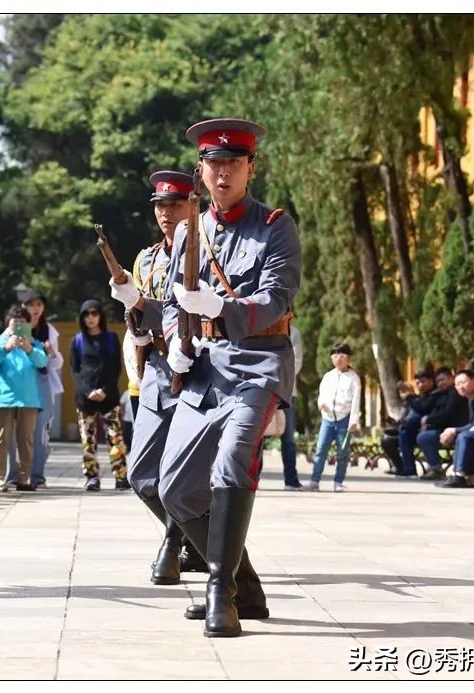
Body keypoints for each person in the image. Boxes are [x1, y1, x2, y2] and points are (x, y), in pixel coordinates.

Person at [158, 118, 301, 637]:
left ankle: (220, 591)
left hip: (258, 365)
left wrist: (222, 307)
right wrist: (175, 343)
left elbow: (277, 298)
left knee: (230, 466)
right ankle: (246, 587)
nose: (223, 173)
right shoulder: (188, 234)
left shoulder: (276, 226)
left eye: (233, 163)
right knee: (173, 489)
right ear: (200, 170)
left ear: (250, 169)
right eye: (214, 164)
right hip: (206, 368)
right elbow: (172, 304)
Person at [110, 170, 208, 585]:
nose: (166, 213)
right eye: (160, 206)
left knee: (180, 475)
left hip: (198, 369)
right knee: (141, 474)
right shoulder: (146, 258)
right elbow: (145, 311)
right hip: (156, 368)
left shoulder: (207, 252)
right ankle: (196, 539)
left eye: (175, 204)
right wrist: (133, 310)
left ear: (192, 207)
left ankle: (174, 543)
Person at [0, 305, 49, 491]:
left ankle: (24, 479)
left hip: (28, 400)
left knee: (26, 441)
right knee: (1, 440)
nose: (19, 327)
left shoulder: (35, 344)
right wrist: (6, 347)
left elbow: (42, 362)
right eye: (15, 323)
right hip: (2, 398)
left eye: (23, 323)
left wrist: (29, 348)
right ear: (8, 325)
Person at [70, 299, 129, 491]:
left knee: (115, 438)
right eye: (86, 314)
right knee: (88, 440)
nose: (90, 318)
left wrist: (104, 390)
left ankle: (121, 476)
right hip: (85, 399)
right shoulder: (77, 341)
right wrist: (88, 391)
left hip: (109, 397)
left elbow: (116, 368)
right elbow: (75, 371)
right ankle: (92, 477)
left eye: (94, 313)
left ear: (100, 316)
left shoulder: (111, 338)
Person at [12, 290, 63, 488]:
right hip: (17, 383)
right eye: (31, 304)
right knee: (15, 431)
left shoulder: (49, 330)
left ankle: (37, 476)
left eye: (39, 305)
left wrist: (51, 352)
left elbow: (56, 364)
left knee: (40, 433)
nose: (35, 309)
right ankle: (14, 475)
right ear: (23, 306)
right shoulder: (15, 326)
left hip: (41, 383)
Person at [304, 343, 362, 492]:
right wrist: (321, 404)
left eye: (342, 356)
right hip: (328, 419)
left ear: (348, 358)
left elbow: (356, 400)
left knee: (342, 452)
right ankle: (314, 481)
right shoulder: (328, 376)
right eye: (335, 356)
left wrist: (353, 420)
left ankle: (338, 481)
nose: (338, 359)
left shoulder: (353, 378)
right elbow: (322, 394)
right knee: (321, 449)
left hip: (344, 419)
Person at [438, 367, 474, 489]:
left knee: (465, 436)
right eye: (457, 384)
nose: (460, 387)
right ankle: (472, 479)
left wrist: (454, 430)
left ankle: (459, 475)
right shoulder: (472, 398)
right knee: (466, 437)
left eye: (463, 382)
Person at [412, 368, 470, 481]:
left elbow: (447, 414)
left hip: (457, 430)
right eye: (438, 381)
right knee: (419, 434)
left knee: (424, 437)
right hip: (445, 430)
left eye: (443, 379)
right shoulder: (441, 395)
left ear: (451, 378)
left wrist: (428, 420)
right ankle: (433, 467)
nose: (440, 383)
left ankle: (436, 469)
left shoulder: (455, 393)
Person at [384, 369, 438, 476]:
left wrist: (409, 396)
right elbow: (407, 416)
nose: (420, 385)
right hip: (412, 431)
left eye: (423, 381)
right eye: (418, 383)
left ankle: (410, 468)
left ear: (431, 381)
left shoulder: (435, 395)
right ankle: (400, 467)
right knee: (387, 439)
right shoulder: (417, 398)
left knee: (405, 431)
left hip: (427, 431)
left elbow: (423, 409)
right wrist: (399, 423)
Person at [281, 324, 304, 489]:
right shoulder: (261, 325)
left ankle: (291, 480)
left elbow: (297, 361)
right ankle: (253, 480)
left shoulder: (294, 332)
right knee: (257, 438)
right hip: (263, 390)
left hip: (287, 392)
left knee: (288, 438)